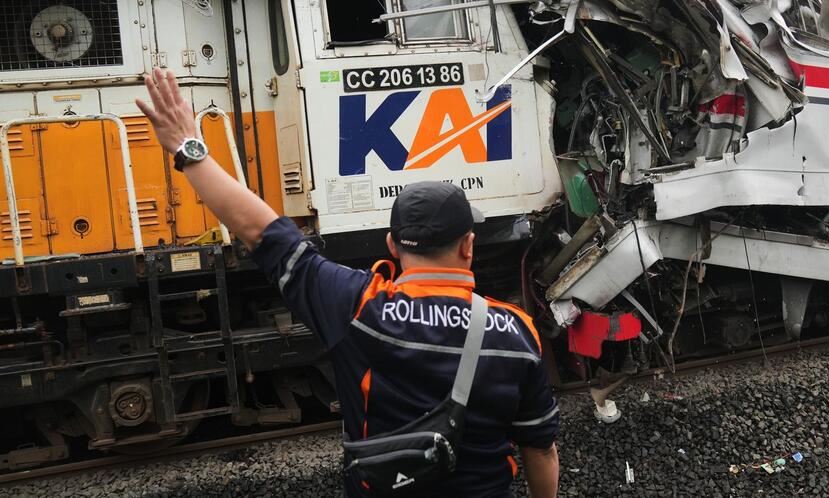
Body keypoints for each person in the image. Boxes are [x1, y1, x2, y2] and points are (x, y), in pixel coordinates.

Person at [136, 69, 559, 498]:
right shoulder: (516, 332)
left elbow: (260, 230)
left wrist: (189, 149)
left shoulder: (358, 305)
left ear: (392, 245)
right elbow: (540, 450)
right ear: (469, 245)